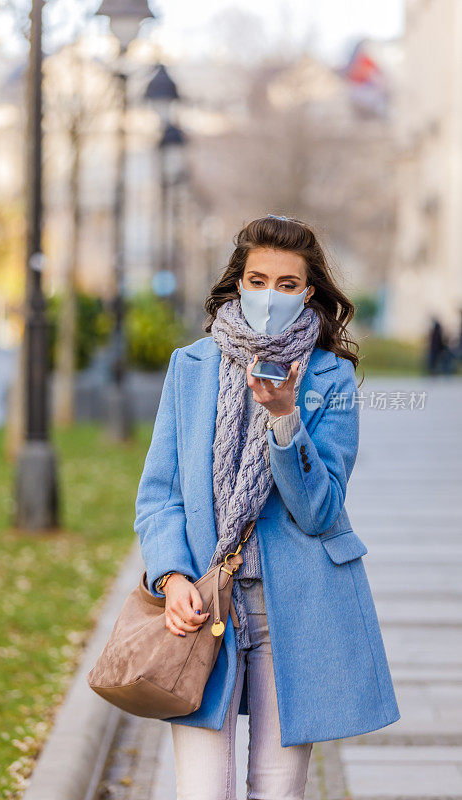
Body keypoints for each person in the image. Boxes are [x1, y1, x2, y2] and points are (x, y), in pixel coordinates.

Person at [134, 215, 400, 800]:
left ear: (308, 292)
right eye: (258, 279)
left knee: (276, 793)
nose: (270, 295)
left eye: (286, 284)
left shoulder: (330, 377)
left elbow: (320, 510)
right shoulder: (192, 367)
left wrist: (285, 418)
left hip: (294, 611)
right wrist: (172, 575)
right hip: (204, 606)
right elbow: (161, 494)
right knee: (202, 791)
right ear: (238, 283)